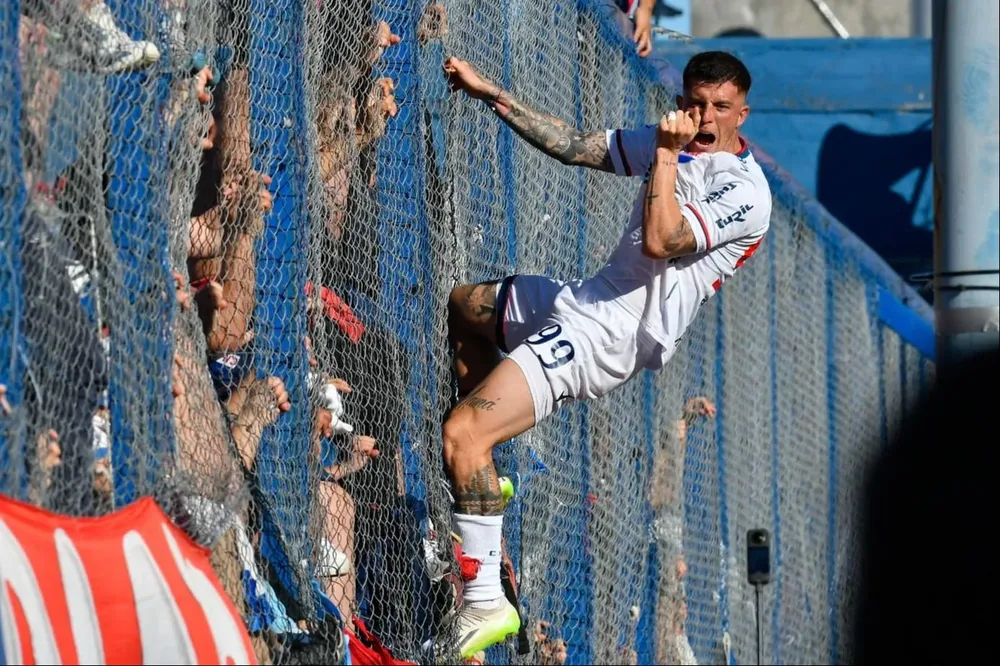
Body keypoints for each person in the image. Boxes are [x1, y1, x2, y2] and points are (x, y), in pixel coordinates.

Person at [440, 50, 772, 656]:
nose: (704, 116)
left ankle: (485, 599)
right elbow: (573, 144)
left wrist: (666, 154)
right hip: (587, 299)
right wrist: (488, 90)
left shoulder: (744, 191)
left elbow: (662, 238)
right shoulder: (672, 142)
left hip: (612, 333)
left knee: (463, 433)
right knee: (467, 306)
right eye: (695, 103)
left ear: (741, 113)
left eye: (719, 107)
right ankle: (483, 481)